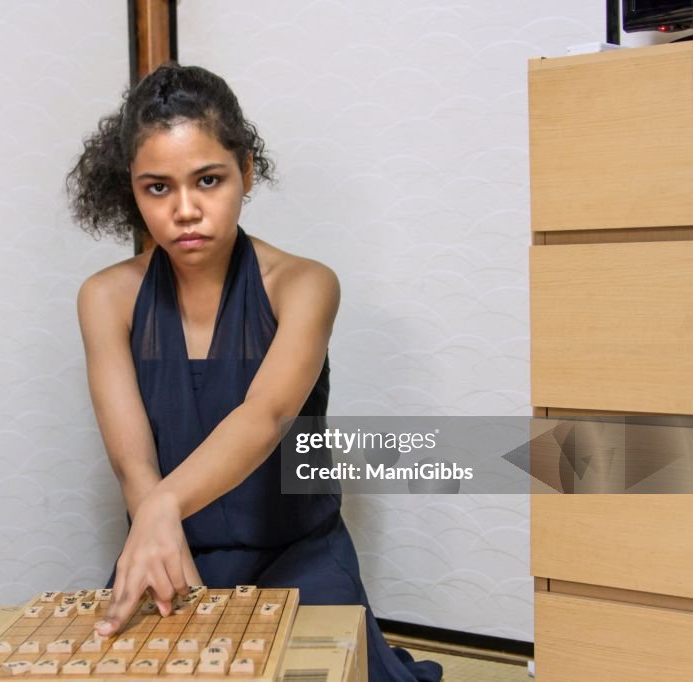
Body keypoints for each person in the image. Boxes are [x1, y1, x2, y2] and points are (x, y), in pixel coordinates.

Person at [66, 63, 442, 682]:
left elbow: (265, 417)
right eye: (156, 188)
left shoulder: (305, 284)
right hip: (169, 548)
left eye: (207, 180)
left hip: (299, 554)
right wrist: (160, 525)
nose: (185, 210)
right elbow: (132, 461)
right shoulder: (104, 298)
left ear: (245, 172)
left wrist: (161, 506)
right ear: (129, 190)